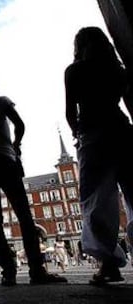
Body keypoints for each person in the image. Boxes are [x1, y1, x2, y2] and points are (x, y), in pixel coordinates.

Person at [0, 74, 67, 286]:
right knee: (23, 214)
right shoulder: (1, 101)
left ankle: (8, 272)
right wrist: (16, 144)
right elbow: (20, 124)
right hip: (4, 160)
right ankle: (37, 271)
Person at [64, 26, 133, 285]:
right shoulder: (118, 70)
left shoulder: (75, 71)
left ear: (78, 46)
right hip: (122, 129)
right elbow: (128, 102)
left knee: (97, 201)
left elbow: (71, 109)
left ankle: (108, 264)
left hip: (93, 135)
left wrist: (76, 132)